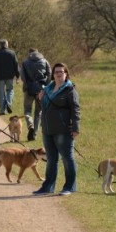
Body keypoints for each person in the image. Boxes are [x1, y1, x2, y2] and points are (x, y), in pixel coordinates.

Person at [33, 63, 80, 196]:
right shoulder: (48, 89)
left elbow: (75, 110)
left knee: (67, 158)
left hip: (63, 129)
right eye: (56, 72)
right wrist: (39, 99)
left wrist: (76, 128)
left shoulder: (70, 90)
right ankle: (48, 186)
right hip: (47, 130)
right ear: (53, 75)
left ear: (66, 74)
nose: (58, 74)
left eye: (61, 71)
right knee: (51, 159)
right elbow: (43, 107)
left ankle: (69, 187)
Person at [21, 48, 51, 141]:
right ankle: (34, 135)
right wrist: (46, 86)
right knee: (38, 112)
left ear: (29, 54)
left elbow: (23, 76)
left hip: (29, 90)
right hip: (41, 90)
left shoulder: (25, 62)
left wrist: (28, 86)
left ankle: (30, 125)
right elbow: (49, 74)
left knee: (27, 110)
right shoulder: (45, 61)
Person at [0, 39, 20, 115]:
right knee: (10, 90)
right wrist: (17, 75)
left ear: (0, 45)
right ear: (7, 44)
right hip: (9, 76)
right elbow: (16, 65)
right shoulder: (12, 53)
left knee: (1, 93)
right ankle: (8, 104)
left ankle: (2, 110)